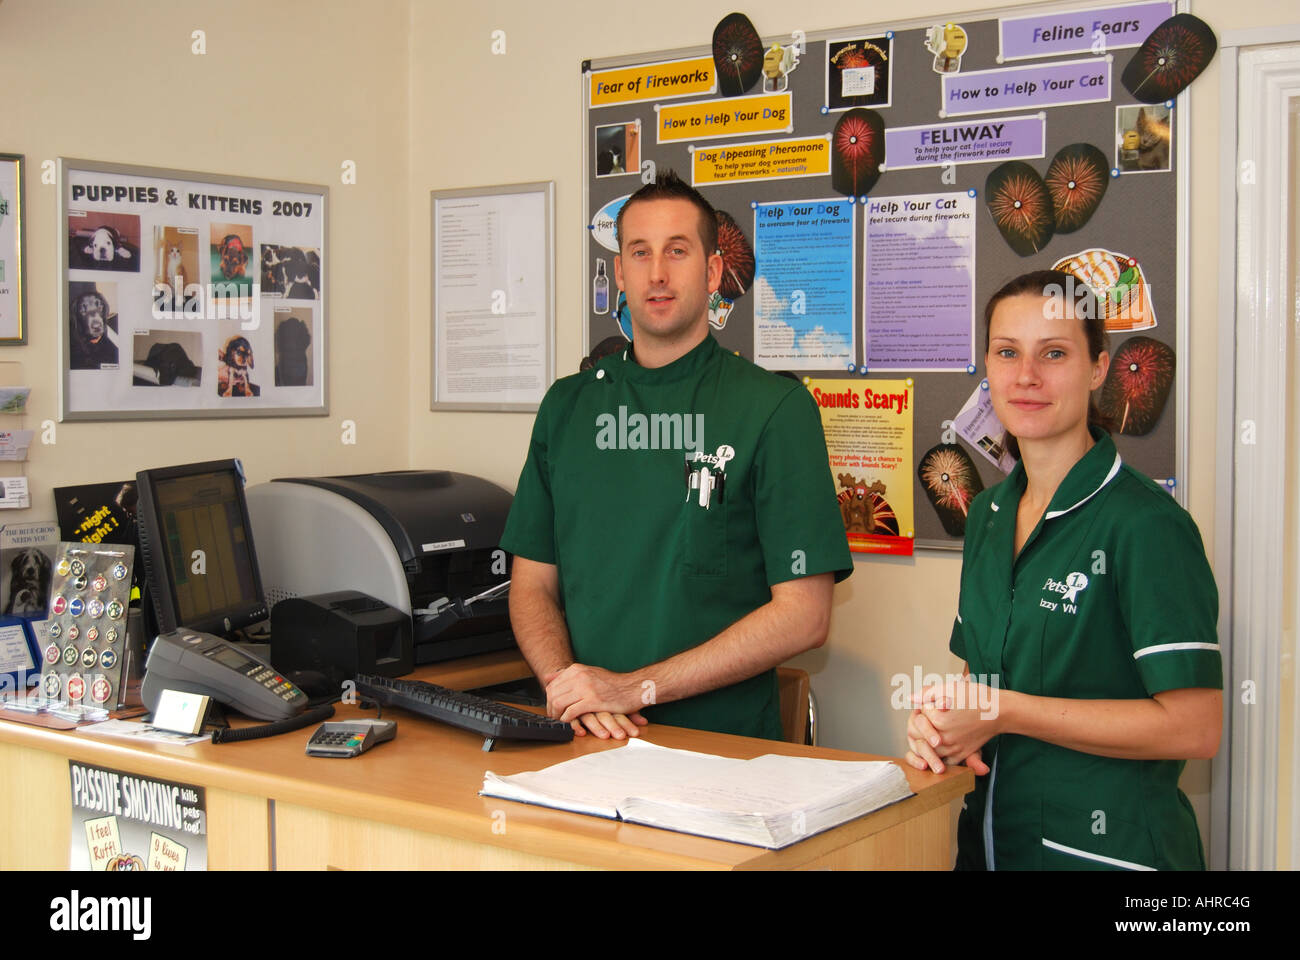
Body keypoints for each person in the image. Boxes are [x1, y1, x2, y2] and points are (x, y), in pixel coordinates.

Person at [500, 171, 852, 742]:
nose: (657, 273)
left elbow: (805, 616)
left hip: (722, 753)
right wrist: (569, 687)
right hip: (587, 741)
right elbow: (532, 585)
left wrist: (633, 688)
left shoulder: (775, 409)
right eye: (639, 253)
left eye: (677, 251)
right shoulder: (567, 408)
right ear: (619, 272)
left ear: (713, 271)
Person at [906, 270, 1222, 870]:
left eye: (1054, 353)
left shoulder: (1145, 525)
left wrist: (1004, 712)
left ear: (1099, 368)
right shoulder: (990, 517)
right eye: (1006, 353)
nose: (1026, 376)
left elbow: (1195, 728)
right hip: (996, 844)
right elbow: (981, 684)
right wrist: (945, 728)